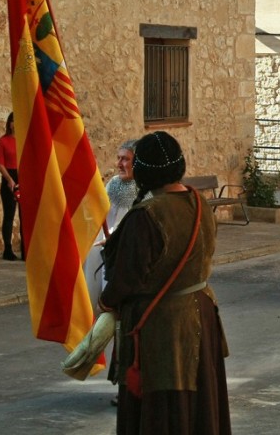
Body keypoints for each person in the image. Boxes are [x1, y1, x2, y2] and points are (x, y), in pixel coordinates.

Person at [97, 131, 231, 434]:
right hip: (202, 315)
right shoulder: (199, 203)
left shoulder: (146, 215)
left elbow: (127, 278)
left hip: (163, 326)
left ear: (144, 170)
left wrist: (106, 302)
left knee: (166, 408)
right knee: (198, 404)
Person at [84, 139, 138, 315]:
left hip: (123, 250)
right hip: (101, 246)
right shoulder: (113, 183)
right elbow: (99, 213)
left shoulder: (143, 189)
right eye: (118, 158)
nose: (119, 164)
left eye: (125, 159)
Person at [0, 113, 23, 261]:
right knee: (9, 215)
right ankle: (7, 249)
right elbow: (0, 163)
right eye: (12, 121)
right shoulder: (3, 141)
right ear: (9, 123)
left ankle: (25, 249)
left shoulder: (23, 140)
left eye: (17, 121)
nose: (14, 124)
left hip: (23, 177)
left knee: (24, 216)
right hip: (9, 178)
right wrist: (9, 179)